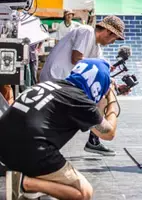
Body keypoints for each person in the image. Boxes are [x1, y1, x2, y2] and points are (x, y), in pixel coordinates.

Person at [0, 59, 118, 200]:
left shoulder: (48, 85)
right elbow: (108, 133)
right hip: (31, 151)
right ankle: (25, 183)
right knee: (83, 193)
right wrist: (112, 100)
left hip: (4, 148)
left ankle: (31, 180)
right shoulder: (79, 99)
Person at [39, 16, 125, 156]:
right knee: (94, 102)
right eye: (114, 38)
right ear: (108, 32)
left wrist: (113, 84)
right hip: (56, 79)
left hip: (67, 84)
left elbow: (99, 69)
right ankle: (95, 135)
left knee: (103, 95)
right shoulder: (87, 31)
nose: (112, 42)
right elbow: (76, 58)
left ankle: (93, 140)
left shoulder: (96, 48)